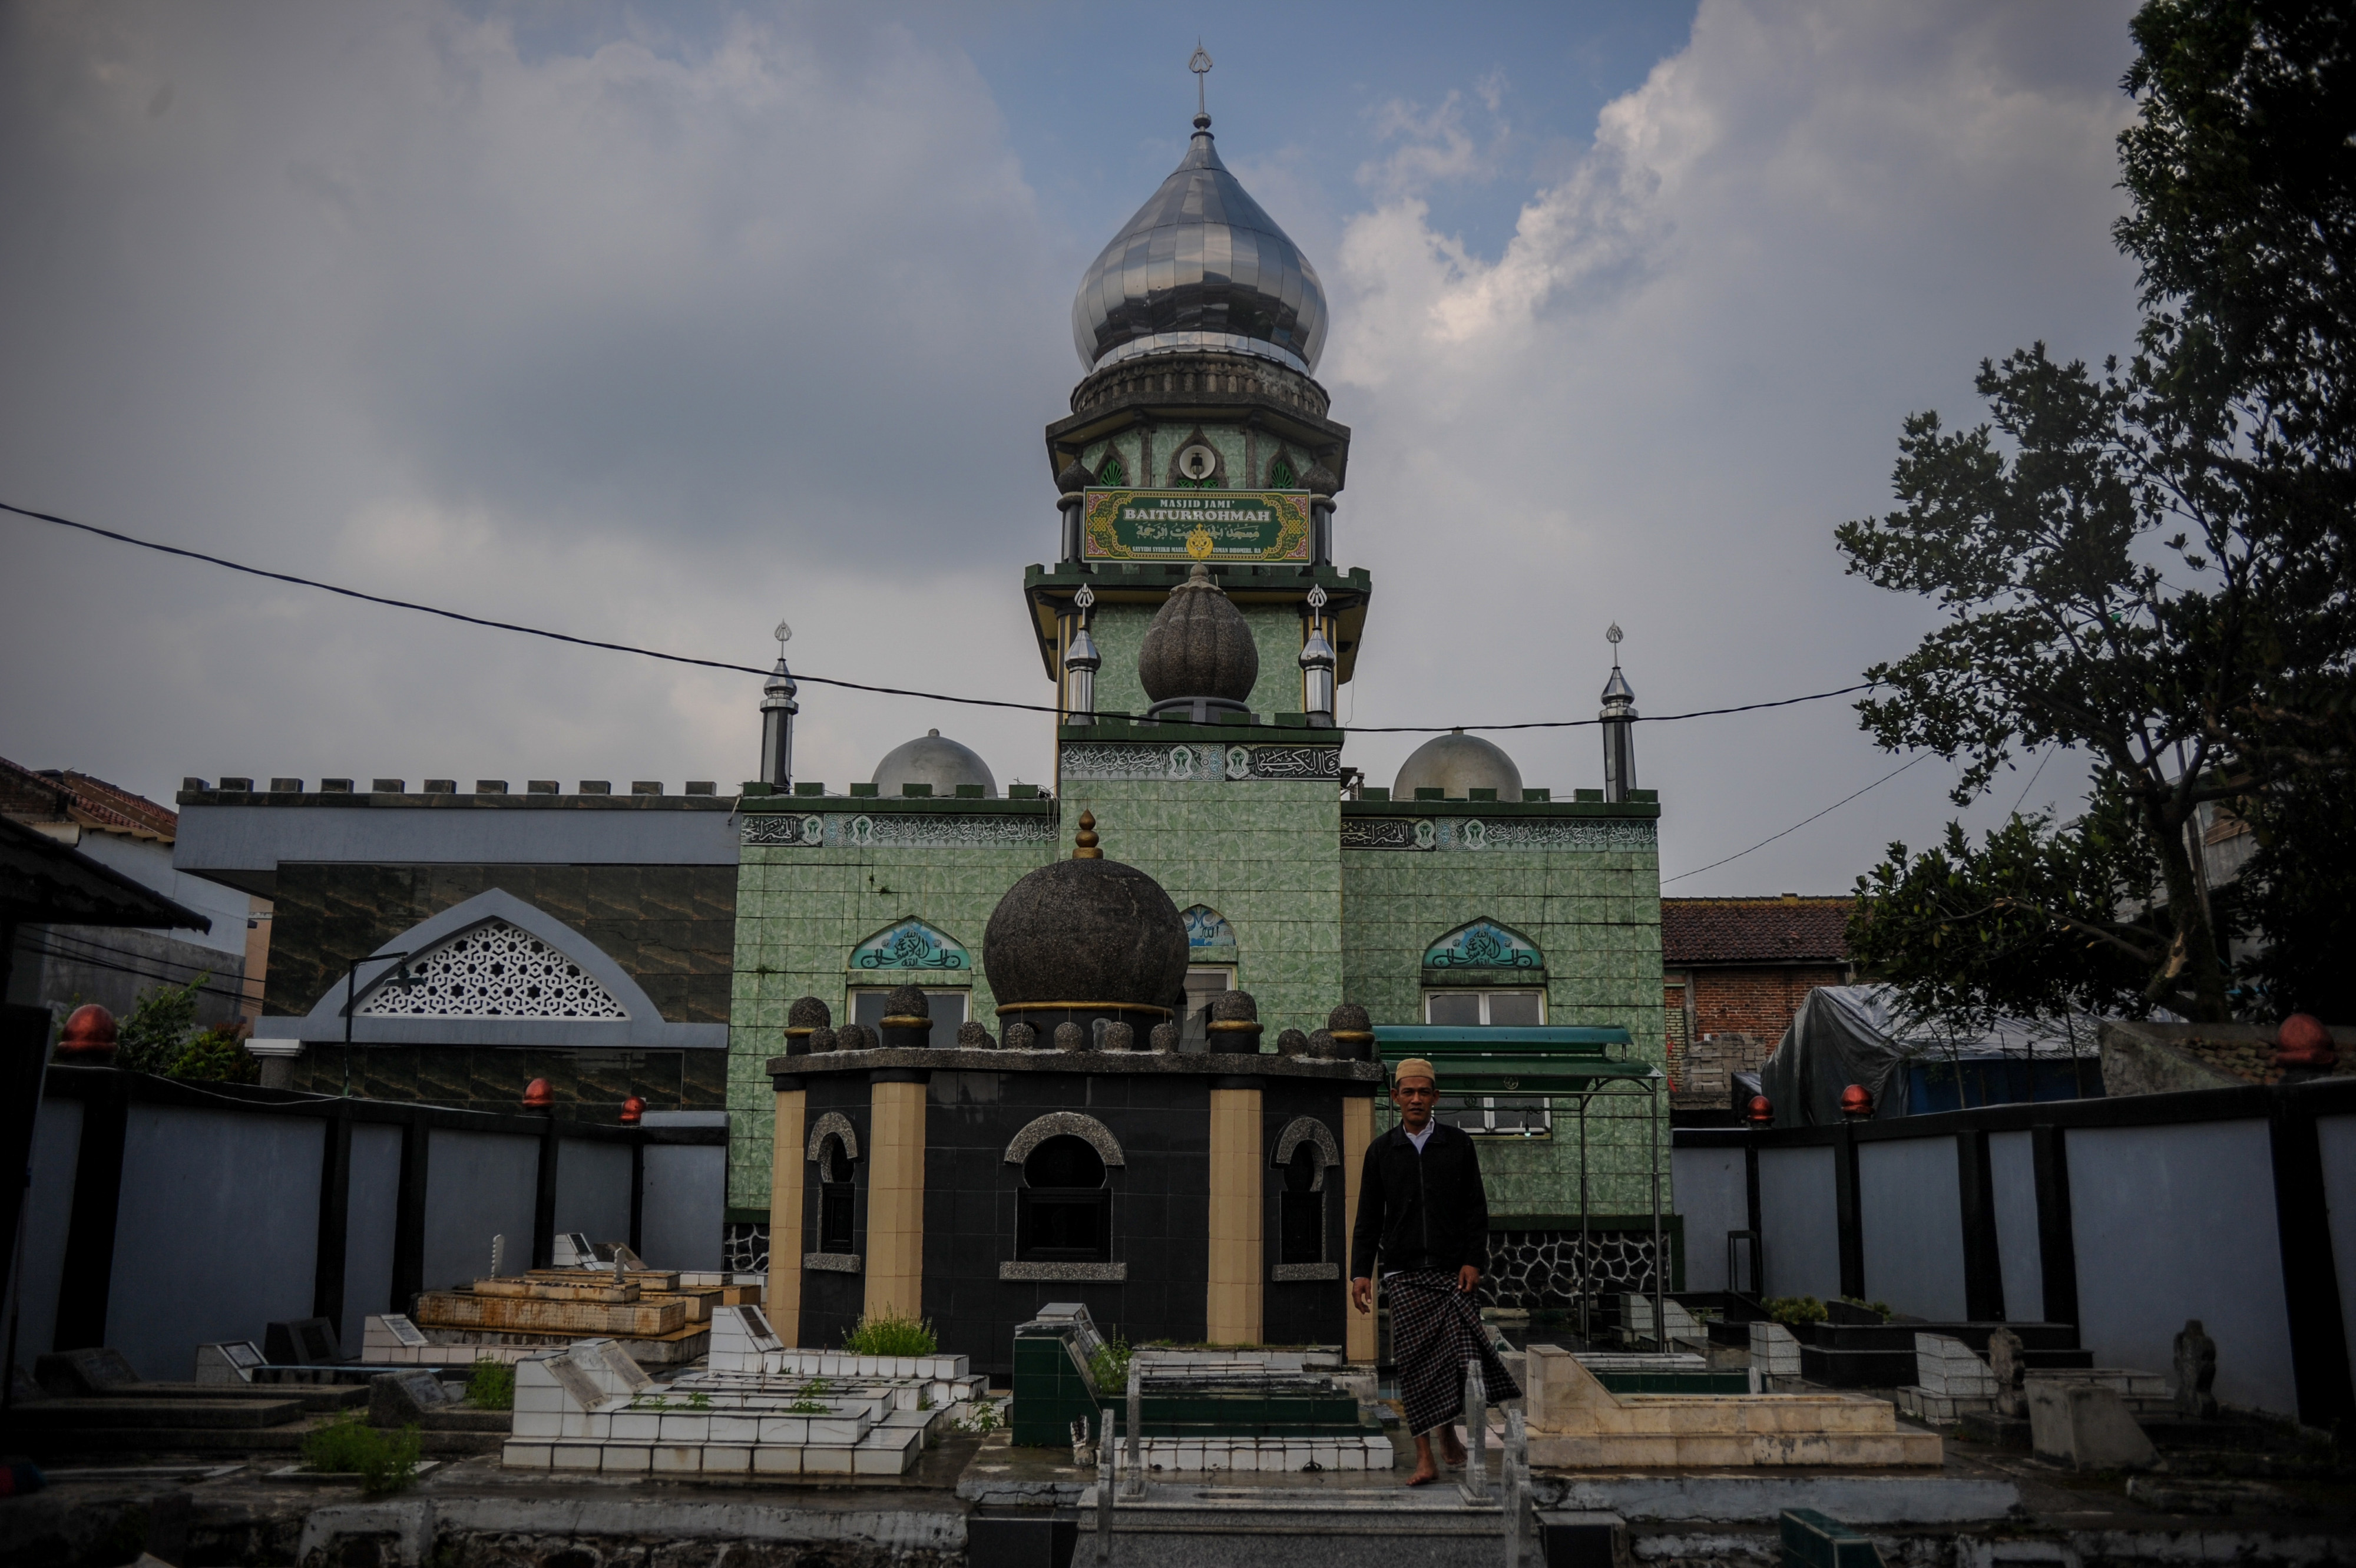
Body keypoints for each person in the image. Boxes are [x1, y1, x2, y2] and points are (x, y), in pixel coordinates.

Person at [1349, 1056, 1521, 1485]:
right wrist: (1360, 1273)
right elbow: (1368, 1218)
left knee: (1460, 1362)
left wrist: (1472, 1260)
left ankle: (1448, 1432)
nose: (1416, 1099)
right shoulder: (1381, 1151)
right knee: (1413, 1365)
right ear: (1395, 1098)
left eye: (1424, 1092)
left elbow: (1475, 1210)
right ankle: (1426, 1456)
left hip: (1451, 1271)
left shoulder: (1459, 1145)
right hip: (1403, 1273)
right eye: (1407, 1092)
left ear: (1435, 1097)